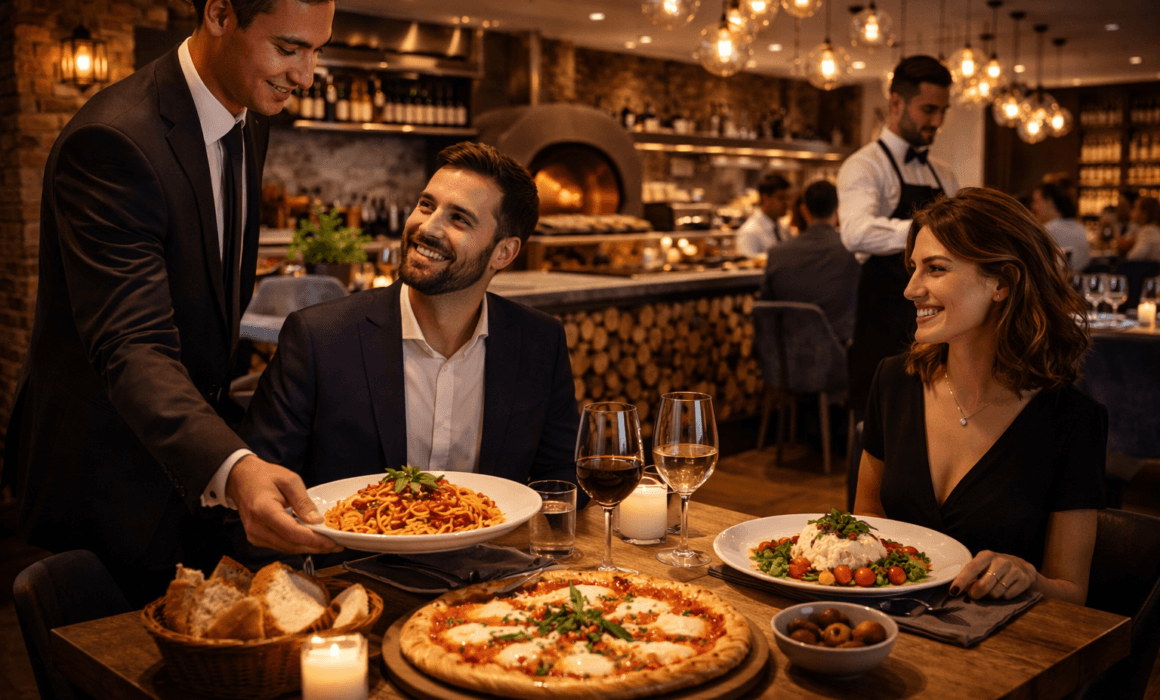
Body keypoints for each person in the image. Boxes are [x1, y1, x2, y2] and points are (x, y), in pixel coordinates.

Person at [4, 0, 339, 606]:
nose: (306, 75)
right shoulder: (112, 142)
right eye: (289, 49)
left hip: (189, 474)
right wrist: (234, 467)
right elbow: (132, 345)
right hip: (107, 473)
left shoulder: (248, 114)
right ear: (218, 15)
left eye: (317, 50)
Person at [240, 142, 584, 502]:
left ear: (504, 252)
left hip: (490, 556)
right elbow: (261, 487)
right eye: (426, 205)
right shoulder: (318, 338)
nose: (427, 227)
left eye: (459, 219)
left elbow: (561, 474)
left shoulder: (539, 343)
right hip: (348, 557)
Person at [854, 188, 1105, 606]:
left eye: (935, 269)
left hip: (1001, 650)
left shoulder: (1071, 420)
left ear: (1002, 284)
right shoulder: (894, 381)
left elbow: (1072, 593)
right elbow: (867, 518)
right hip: (887, 631)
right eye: (913, 268)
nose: (911, 289)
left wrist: (1028, 577)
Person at [836, 55, 960, 422]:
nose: (937, 121)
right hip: (884, 324)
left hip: (938, 326)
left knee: (932, 430)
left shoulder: (946, 174)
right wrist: (935, 229)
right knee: (878, 433)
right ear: (895, 103)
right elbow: (855, 232)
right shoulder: (864, 165)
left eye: (943, 111)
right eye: (928, 110)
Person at [759, 180, 860, 343]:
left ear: (804, 210)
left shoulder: (777, 253)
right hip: (839, 354)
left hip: (788, 353)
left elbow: (765, 308)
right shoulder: (852, 251)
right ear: (837, 210)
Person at [1031, 183, 1092, 271]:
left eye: (1036, 201)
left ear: (1049, 202)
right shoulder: (1079, 226)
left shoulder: (1048, 230)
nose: (1034, 206)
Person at [735, 172, 792, 257]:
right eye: (781, 198)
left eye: (788, 198)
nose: (787, 203)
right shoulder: (749, 233)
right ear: (765, 198)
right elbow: (747, 267)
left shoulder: (784, 229)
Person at [1124, 196, 1160, 261]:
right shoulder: (1154, 228)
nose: (1131, 211)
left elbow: (1133, 257)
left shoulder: (1148, 231)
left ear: (1144, 214)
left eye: (1135, 208)